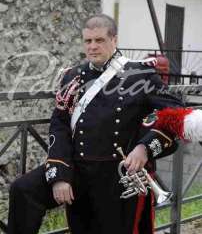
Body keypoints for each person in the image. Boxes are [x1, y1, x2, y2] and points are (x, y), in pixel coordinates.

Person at [8, 14, 184, 234]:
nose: (92, 47)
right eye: (88, 41)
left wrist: (145, 148)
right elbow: (60, 124)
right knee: (23, 190)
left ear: (114, 40)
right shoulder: (72, 77)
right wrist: (60, 174)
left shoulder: (140, 75)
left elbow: (177, 113)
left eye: (99, 40)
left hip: (116, 174)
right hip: (77, 168)